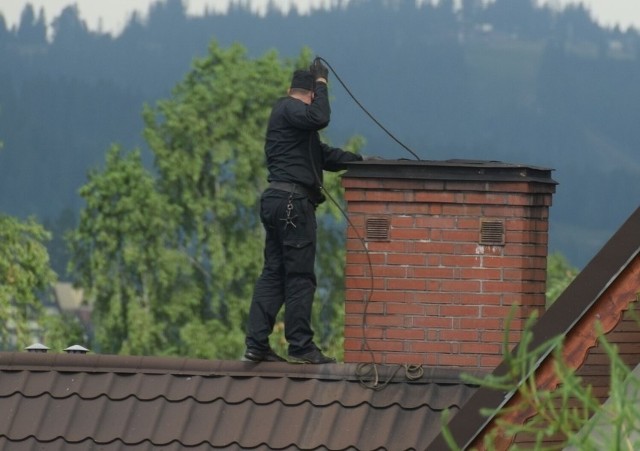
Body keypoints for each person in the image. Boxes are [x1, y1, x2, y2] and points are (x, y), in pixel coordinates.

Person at [244, 59, 363, 364]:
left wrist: (362, 161)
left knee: (274, 273)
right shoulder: (289, 108)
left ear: (290, 88)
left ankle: (256, 345)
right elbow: (319, 117)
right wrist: (323, 83)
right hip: (292, 205)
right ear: (308, 95)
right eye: (314, 95)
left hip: (276, 202)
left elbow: (323, 155)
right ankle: (300, 345)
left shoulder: (293, 126)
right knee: (299, 276)